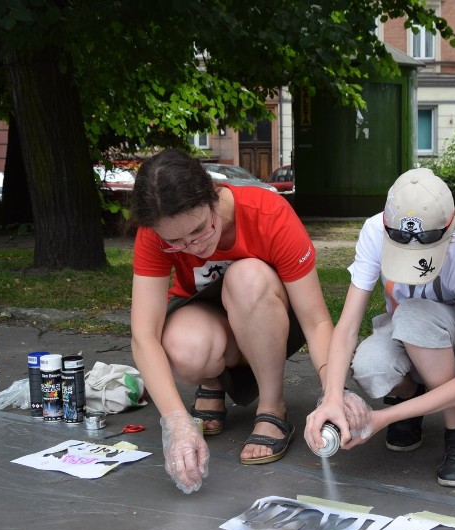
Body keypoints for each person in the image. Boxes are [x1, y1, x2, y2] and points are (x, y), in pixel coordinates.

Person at [129, 149, 333, 493]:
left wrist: (334, 393)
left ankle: (272, 406)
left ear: (213, 196)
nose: (192, 247)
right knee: (182, 347)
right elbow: (144, 335)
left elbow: (316, 322)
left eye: (198, 230)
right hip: (212, 323)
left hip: (270, 319)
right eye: (174, 242)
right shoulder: (153, 233)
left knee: (247, 277)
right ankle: (213, 381)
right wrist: (176, 422)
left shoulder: (268, 212)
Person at [304, 168, 455, 487]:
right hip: (407, 333)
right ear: (385, 223)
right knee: (369, 366)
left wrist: (380, 418)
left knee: (412, 315)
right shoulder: (373, 231)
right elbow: (347, 327)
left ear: (450, 225)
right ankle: (414, 400)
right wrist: (331, 397)